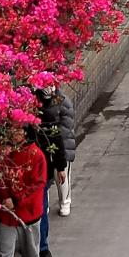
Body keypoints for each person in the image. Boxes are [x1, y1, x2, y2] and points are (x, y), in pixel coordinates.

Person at [0, 127, 47, 257]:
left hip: (28, 214)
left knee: (31, 254)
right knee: (4, 254)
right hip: (4, 213)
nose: (13, 134)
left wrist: (16, 200)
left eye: (18, 130)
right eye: (11, 129)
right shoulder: (0, 153)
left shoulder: (36, 155)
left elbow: (37, 185)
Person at [34, 89, 69, 257]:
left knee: (40, 209)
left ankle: (40, 246)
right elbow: (57, 140)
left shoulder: (43, 116)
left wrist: (61, 166)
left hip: (41, 170)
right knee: (41, 208)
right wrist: (60, 167)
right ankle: (41, 247)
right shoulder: (46, 115)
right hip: (42, 169)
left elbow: (57, 140)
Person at [54, 90, 76, 218]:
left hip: (63, 143)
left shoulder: (63, 101)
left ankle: (65, 202)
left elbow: (66, 129)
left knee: (62, 175)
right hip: (51, 143)